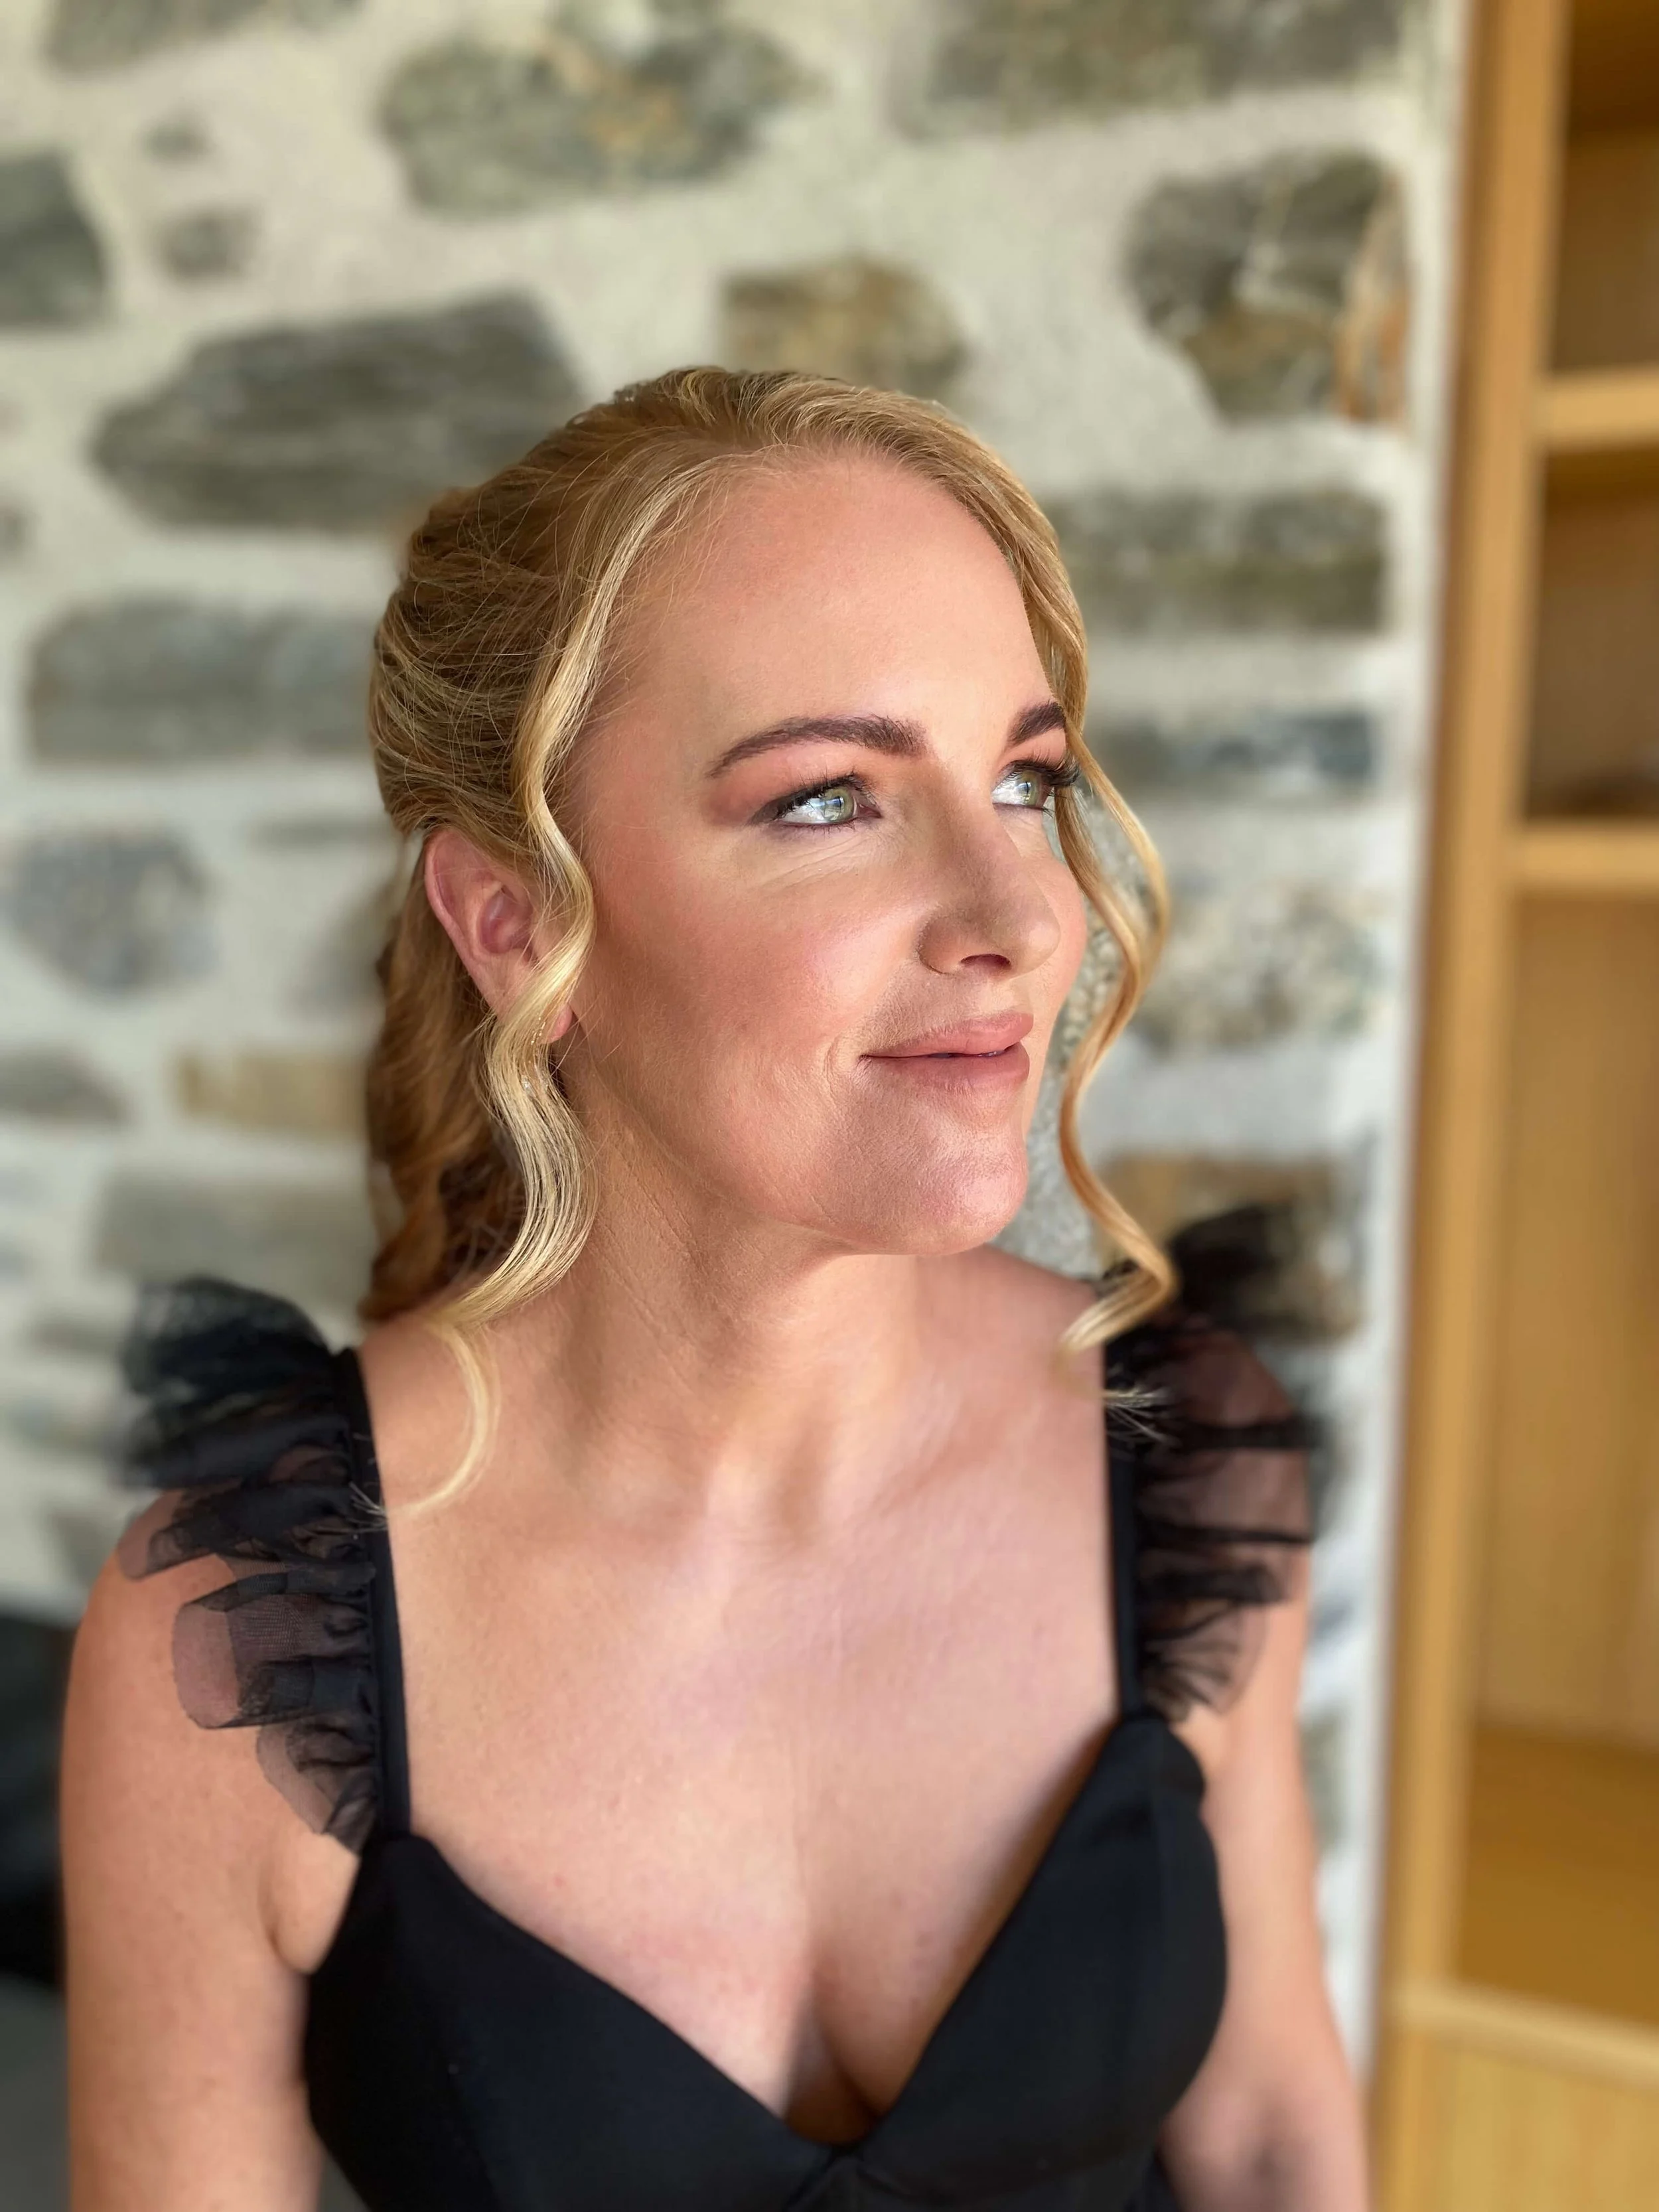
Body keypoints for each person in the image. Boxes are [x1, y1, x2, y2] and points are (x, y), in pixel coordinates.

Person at [60, 368, 1366, 2210]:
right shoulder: (243, 1627)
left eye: (1025, 777)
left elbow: (1271, 2133)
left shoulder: (1182, 1460)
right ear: (517, 921)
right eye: (831, 796)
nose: (1015, 915)